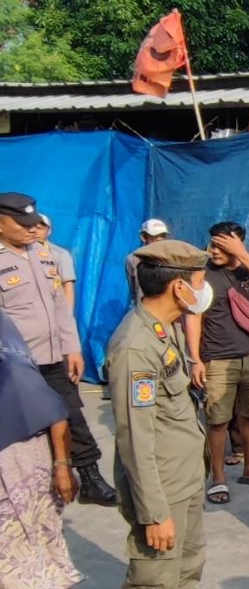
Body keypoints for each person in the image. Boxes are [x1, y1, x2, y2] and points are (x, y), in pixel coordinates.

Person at [108, 240, 241, 589]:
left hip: (183, 470)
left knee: (188, 555)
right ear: (180, 288)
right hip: (159, 481)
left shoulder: (163, 330)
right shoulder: (134, 345)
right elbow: (134, 435)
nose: (206, 291)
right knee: (154, 568)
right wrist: (152, 510)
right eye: (200, 281)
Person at [0, 191, 116, 507]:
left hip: (52, 358)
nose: (29, 229)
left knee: (70, 413)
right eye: (21, 223)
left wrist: (72, 349)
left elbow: (59, 310)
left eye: (32, 223)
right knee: (24, 429)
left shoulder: (44, 255)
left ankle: (90, 477)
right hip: (15, 366)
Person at [0, 309, 85, 589]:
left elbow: (53, 410)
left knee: (20, 529)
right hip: (13, 451)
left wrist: (63, 467)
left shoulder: (11, 365)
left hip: (15, 454)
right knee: (29, 528)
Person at [185, 221, 249, 504]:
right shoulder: (202, 273)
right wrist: (196, 359)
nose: (214, 250)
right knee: (218, 420)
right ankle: (217, 478)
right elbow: (193, 317)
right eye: (212, 243)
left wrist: (241, 253)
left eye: (222, 245)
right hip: (218, 358)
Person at [33, 214, 77, 313]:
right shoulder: (15, 252)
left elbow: (67, 285)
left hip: (51, 310)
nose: (35, 231)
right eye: (31, 227)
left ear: (49, 231)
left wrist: (68, 315)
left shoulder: (60, 254)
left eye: (40, 228)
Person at [126, 218, 170, 304]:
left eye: (163, 235)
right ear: (143, 237)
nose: (160, 238)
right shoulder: (132, 259)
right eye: (155, 235)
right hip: (143, 310)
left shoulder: (170, 258)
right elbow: (133, 288)